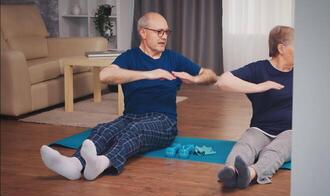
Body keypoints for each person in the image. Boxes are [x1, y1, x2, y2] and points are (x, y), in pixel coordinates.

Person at [40, 12, 217, 181]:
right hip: (131, 116)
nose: (164, 36)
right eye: (159, 32)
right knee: (104, 129)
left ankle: (102, 163)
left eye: (166, 32)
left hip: (164, 121)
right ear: (143, 32)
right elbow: (105, 76)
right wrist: (148, 74)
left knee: (135, 130)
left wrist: (195, 79)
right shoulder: (129, 57)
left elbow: (210, 75)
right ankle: (75, 164)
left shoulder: (173, 58)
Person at [216, 25, 294, 189]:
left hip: (291, 130)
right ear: (281, 48)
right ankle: (231, 173)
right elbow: (223, 81)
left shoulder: (303, 71)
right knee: (245, 145)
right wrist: (259, 86)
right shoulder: (259, 69)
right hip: (261, 128)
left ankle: (251, 173)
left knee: (276, 151)